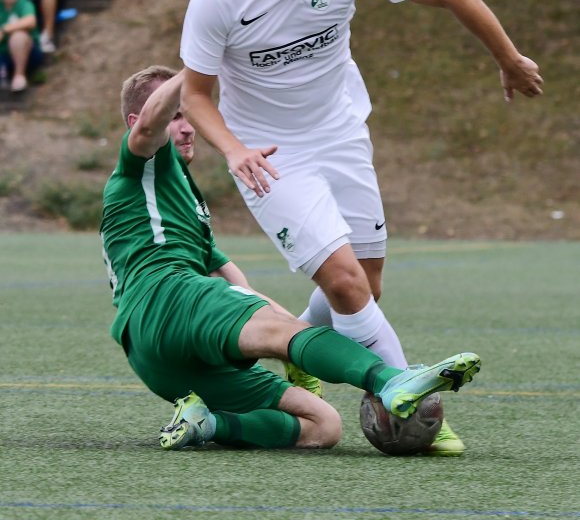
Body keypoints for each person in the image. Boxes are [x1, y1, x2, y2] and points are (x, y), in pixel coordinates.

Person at [179, 0, 543, 455]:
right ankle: (412, 406)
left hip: (342, 134)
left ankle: (299, 348)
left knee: (367, 285)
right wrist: (232, 149)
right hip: (269, 157)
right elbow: (196, 94)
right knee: (348, 285)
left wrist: (509, 58)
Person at [100, 64, 481, 452]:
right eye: (176, 115)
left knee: (322, 425)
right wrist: (201, 64)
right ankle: (390, 380)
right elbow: (151, 125)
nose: (187, 126)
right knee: (287, 334)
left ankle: (208, 423)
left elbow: (228, 276)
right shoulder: (140, 164)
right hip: (166, 296)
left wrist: (276, 325)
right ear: (136, 121)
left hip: (158, 360)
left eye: (188, 115)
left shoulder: (177, 192)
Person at [0, 0, 43, 92]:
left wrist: (5, 29)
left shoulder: (24, 4)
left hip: (28, 53)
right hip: (3, 54)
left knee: (18, 36)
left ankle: (19, 76)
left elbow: (30, 21)